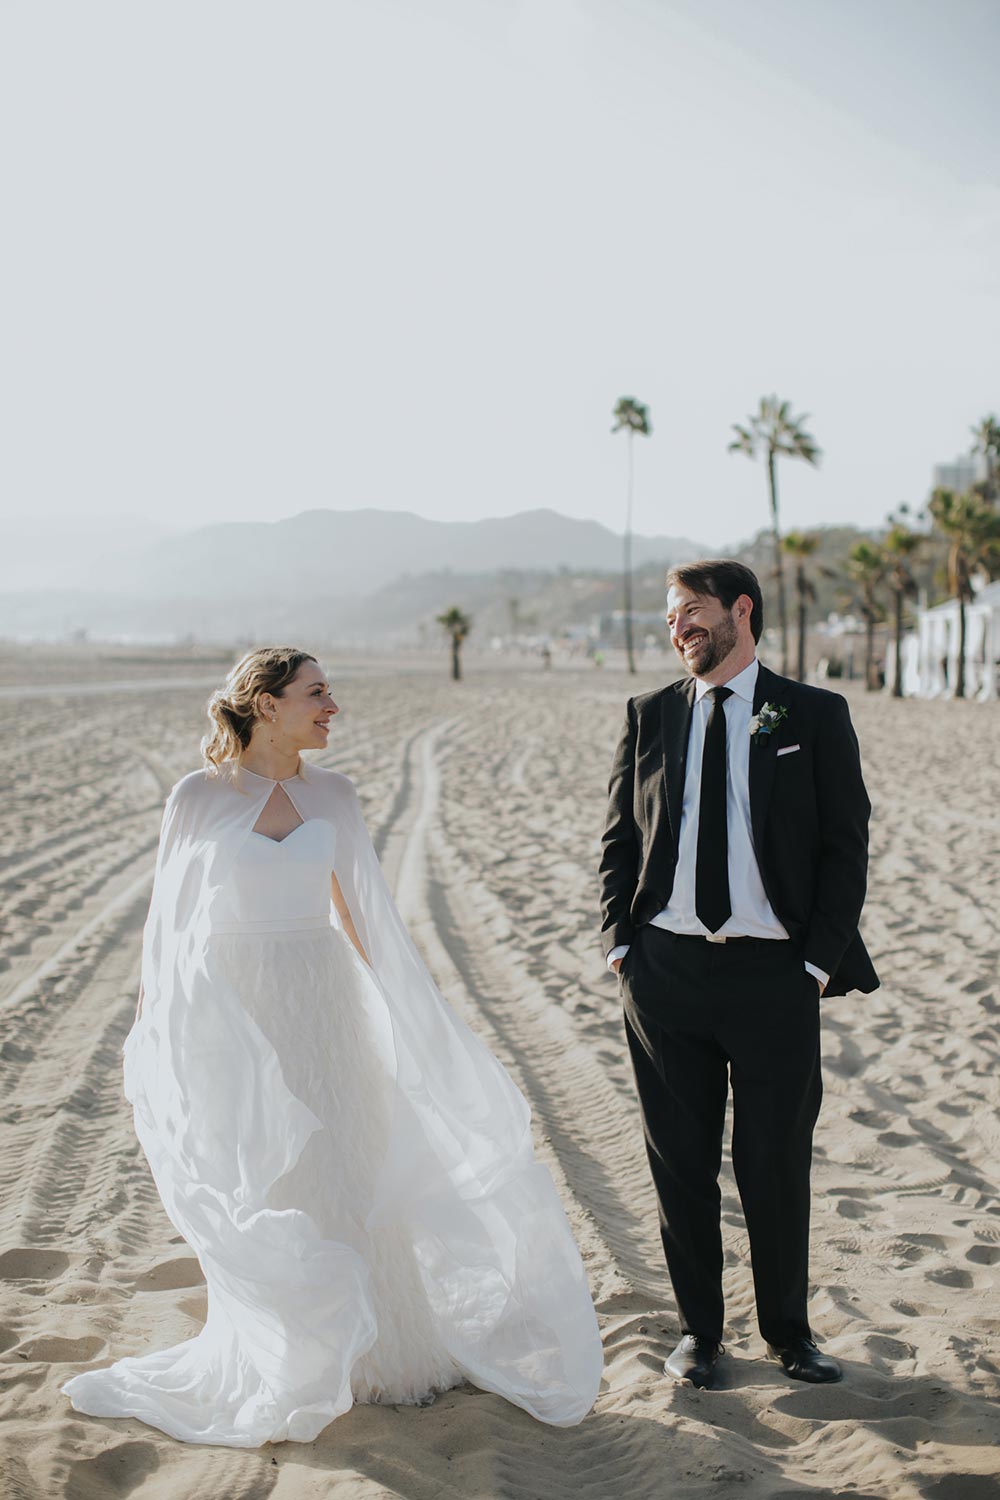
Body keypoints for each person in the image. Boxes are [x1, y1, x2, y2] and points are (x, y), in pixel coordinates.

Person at [64, 648, 602, 1447]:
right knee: (271, 1173)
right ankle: (289, 1348)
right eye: (316, 694)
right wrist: (155, 1036)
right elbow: (166, 933)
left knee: (350, 1167)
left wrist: (410, 1023)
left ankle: (377, 1351)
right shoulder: (198, 797)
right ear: (264, 704)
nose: (331, 708)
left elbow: (363, 918)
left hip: (326, 1003)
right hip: (241, 1014)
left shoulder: (337, 796)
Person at [599, 561, 878, 1390]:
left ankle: (789, 1334)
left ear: (740, 611)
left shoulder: (813, 714)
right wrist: (622, 944)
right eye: (670, 618)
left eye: (691, 611)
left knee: (774, 1160)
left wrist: (817, 962)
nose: (677, 627)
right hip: (665, 975)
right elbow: (619, 838)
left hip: (776, 977)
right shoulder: (649, 715)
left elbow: (845, 844)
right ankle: (699, 1335)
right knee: (679, 1163)